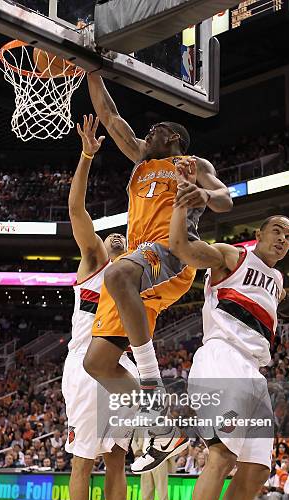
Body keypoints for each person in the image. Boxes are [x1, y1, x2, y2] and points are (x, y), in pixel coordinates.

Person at [140, 168, 289, 500]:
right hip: (222, 358)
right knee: (221, 455)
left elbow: (286, 304)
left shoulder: (276, 282)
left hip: (255, 373)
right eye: (277, 230)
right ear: (258, 233)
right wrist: (183, 204)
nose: (284, 238)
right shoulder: (231, 258)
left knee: (256, 469)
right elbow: (181, 247)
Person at [83, 72, 232, 463]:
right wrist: (89, 69)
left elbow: (225, 199)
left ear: (173, 137)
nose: (147, 134)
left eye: (154, 131)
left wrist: (204, 193)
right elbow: (109, 115)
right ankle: (163, 428)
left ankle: (152, 388)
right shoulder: (139, 160)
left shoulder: (190, 162)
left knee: (114, 273)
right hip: (138, 265)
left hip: (171, 253)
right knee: (96, 362)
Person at [62, 115, 138, 500]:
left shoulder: (133, 285)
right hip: (85, 367)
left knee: (117, 459)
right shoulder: (93, 263)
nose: (118, 240)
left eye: (124, 242)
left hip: (117, 368)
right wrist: (88, 156)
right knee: (84, 459)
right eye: (114, 237)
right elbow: (76, 211)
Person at [132, 435, 170, 500]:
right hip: (144, 458)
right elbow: (133, 437)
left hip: (160, 457)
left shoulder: (163, 422)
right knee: (146, 491)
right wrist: (137, 451)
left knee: (162, 491)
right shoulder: (142, 422)